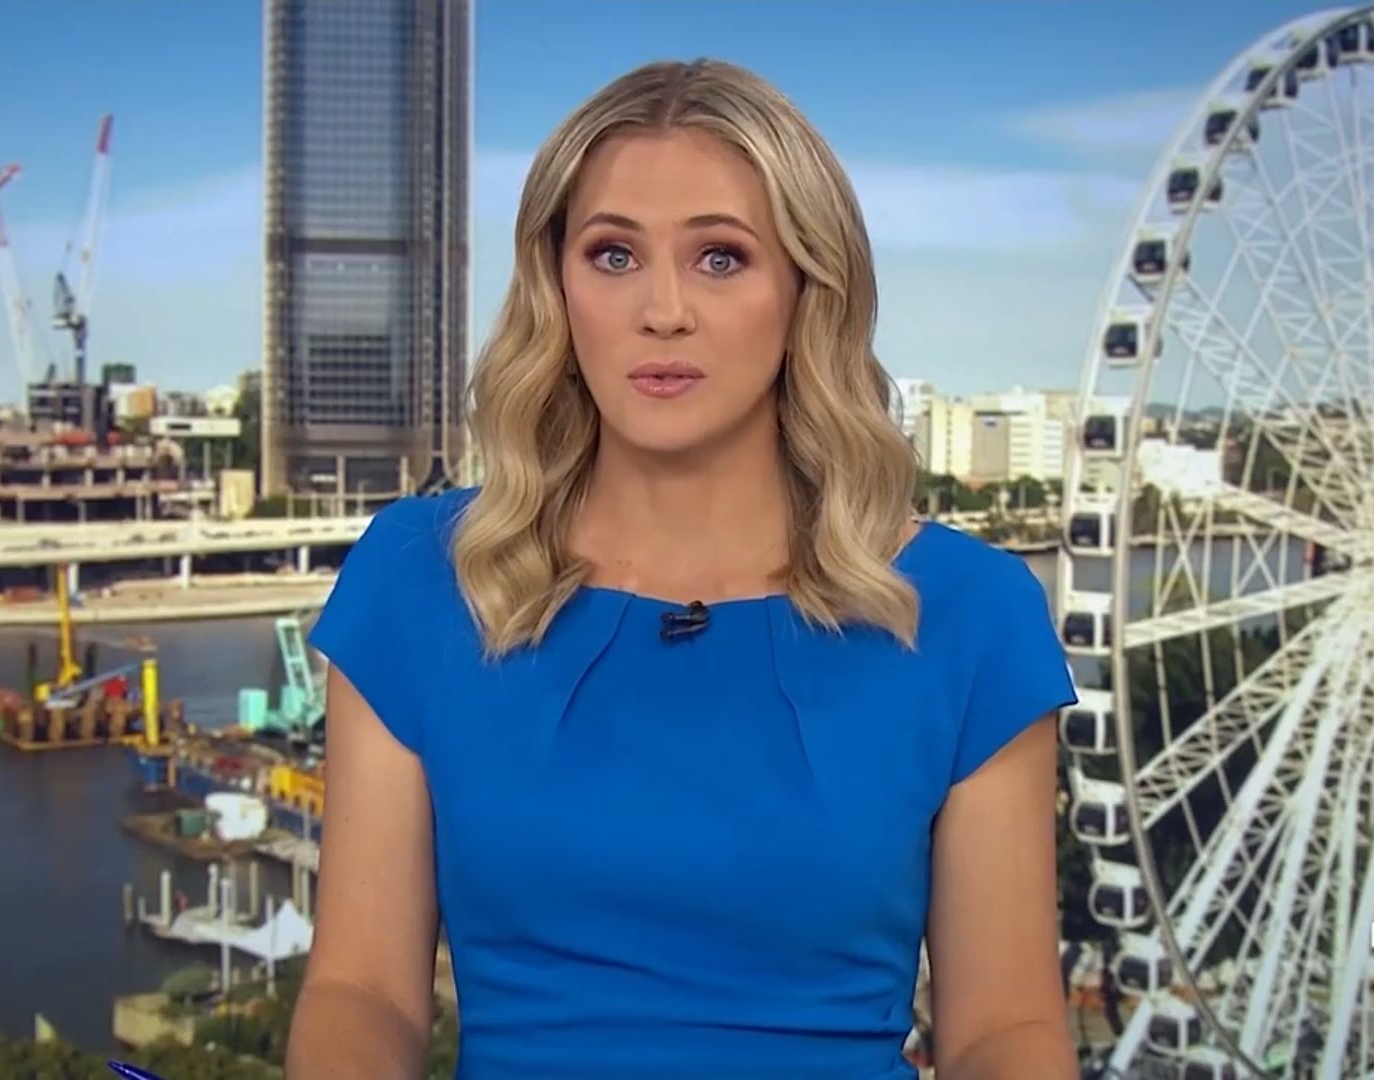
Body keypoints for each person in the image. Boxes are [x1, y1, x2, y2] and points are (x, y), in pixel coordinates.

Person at [289, 57, 1079, 1079]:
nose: (663, 311)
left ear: (807, 289)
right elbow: (363, 990)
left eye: (720, 258)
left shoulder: (971, 616)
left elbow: (1002, 1031)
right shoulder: (417, 580)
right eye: (614, 255)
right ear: (557, 286)